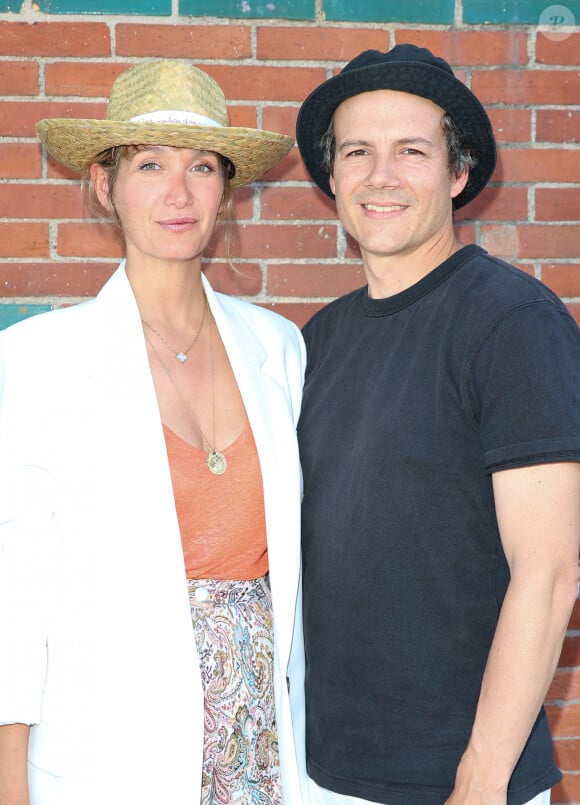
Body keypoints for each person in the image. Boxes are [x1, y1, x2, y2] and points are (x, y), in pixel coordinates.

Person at [0, 59, 309, 805]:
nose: (178, 192)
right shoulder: (37, 361)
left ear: (226, 190)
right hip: (110, 757)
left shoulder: (278, 347)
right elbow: (13, 597)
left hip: (259, 753)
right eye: (149, 164)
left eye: (201, 166)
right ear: (106, 185)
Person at [295, 43, 580, 805]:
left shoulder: (512, 321)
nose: (380, 175)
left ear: (458, 174)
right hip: (329, 775)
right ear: (333, 178)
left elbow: (549, 573)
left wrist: (480, 783)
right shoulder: (316, 341)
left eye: (411, 151)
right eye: (357, 151)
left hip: (464, 782)